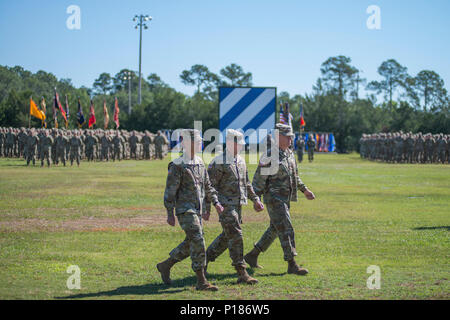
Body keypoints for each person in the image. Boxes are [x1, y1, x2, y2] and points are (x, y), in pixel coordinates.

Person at [156, 129, 224, 291]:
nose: (201, 143)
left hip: (197, 209)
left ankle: (166, 265)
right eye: (198, 141)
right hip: (184, 210)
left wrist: (215, 203)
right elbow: (170, 192)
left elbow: (208, 186)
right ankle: (201, 281)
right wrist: (169, 213)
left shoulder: (200, 162)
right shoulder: (178, 165)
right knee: (198, 239)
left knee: (191, 242)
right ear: (188, 143)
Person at [244, 124, 316, 275]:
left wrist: (305, 190)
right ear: (278, 137)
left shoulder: (289, 153)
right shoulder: (269, 156)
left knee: (275, 229)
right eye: (287, 136)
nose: (291, 138)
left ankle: (252, 255)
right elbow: (258, 181)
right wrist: (255, 199)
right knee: (286, 228)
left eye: (291, 136)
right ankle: (292, 264)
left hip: (286, 198)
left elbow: (294, 176)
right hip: (273, 198)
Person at [204, 129, 264, 285]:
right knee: (236, 234)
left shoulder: (241, 161)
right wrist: (212, 205)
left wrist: (255, 199)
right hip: (225, 205)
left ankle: (204, 259)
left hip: (238, 205)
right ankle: (241, 271)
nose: (242, 147)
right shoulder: (219, 162)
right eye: (239, 144)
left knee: (227, 236)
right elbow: (209, 186)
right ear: (230, 143)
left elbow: (247, 183)